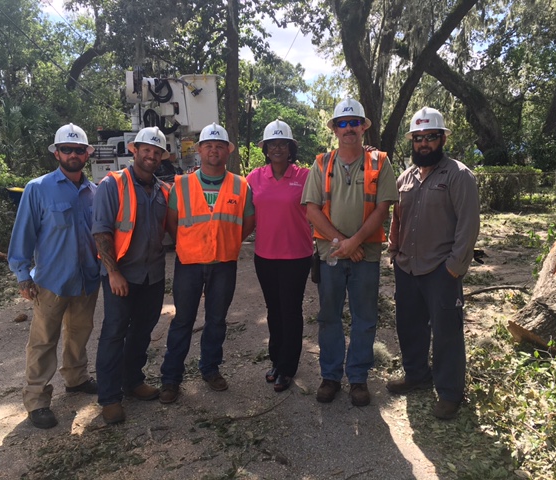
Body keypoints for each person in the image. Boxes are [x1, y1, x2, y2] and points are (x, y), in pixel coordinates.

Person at [301, 97, 398, 406]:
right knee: (329, 316)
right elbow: (312, 210)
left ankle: (357, 378)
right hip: (331, 254)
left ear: (363, 127)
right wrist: (343, 243)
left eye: (354, 123)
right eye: (342, 124)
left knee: (364, 318)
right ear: (335, 129)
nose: (348, 129)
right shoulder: (321, 163)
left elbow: (383, 209)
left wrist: (355, 242)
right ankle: (330, 377)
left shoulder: (380, 162)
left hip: (365, 256)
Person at [387, 107, 480, 420]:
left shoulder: (458, 175)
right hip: (407, 267)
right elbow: (396, 217)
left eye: (430, 137)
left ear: (442, 139)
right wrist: (393, 250)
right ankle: (416, 375)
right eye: (418, 138)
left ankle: (450, 392)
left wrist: (455, 265)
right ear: (412, 141)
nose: (423, 144)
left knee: (446, 333)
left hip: (441, 269)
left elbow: (468, 224)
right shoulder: (405, 177)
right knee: (408, 326)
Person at [8, 123, 100, 429]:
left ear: (87, 154)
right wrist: (23, 274)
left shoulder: (94, 192)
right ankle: (36, 400)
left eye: (79, 150)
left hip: (87, 278)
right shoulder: (38, 189)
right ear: (56, 153)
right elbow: (24, 235)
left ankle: (76, 378)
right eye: (67, 149)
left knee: (79, 332)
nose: (73, 155)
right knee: (43, 341)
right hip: (51, 281)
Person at [159, 123, 255, 404]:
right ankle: (170, 378)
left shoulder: (240, 185)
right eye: (209, 145)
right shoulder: (182, 184)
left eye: (219, 146)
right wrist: (190, 243)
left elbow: (248, 222)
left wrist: (228, 241)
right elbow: (172, 223)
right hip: (188, 263)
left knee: (216, 321)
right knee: (183, 321)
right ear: (200, 150)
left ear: (227, 151)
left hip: (224, 263)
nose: (214, 150)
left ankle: (210, 369)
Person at [92, 126, 171, 424]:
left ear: (162, 157)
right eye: (146, 150)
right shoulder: (112, 185)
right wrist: (112, 273)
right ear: (134, 150)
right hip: (121, 275)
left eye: (156, 152)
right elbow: (101, 231)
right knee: (114, 333)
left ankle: (133, 381)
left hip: (152, 276)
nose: (151, 156)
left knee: (142, 330)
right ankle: (110, 398)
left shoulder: (164, 191)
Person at [246, 120, 312, 393]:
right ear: (265, 148)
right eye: (272, 144)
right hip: (265, 256)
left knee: (291, 311)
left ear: (290, 148)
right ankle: (276, 361)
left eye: (282, 143)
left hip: (296, 256)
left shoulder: (305, 177)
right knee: (274, 310)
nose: (277, 148)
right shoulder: (254, 178)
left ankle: (288, 367)